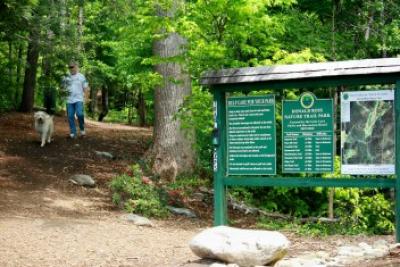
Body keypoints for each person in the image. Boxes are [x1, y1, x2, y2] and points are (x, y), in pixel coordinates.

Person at [62, 61, 89, 138]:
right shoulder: (65, 77)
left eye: (72, 67)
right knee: (70, 116)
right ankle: (73, 133)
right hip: (69, 100)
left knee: (80, 114)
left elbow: (86, 88)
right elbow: (62, 88)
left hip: (79, 99)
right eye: (69, 67)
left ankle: (82, 129)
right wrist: (63, 95)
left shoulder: (81, 76)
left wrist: (86, 98)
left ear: (76, 67)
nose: (71, 68)